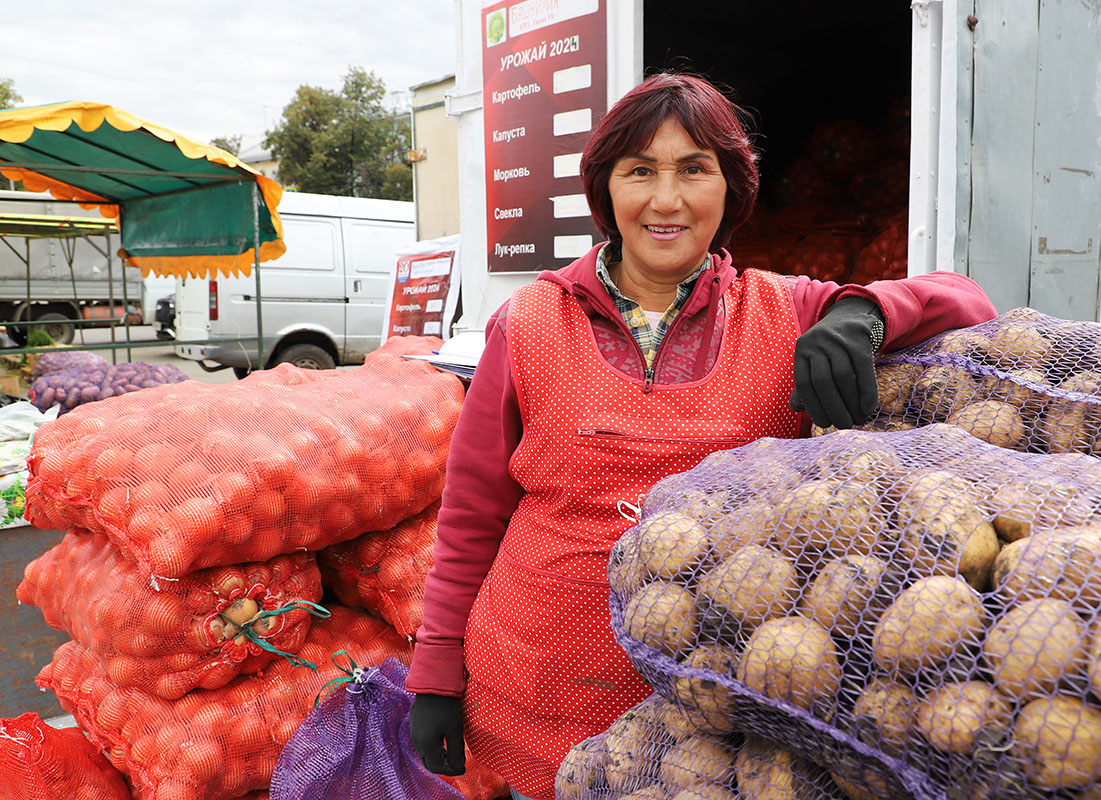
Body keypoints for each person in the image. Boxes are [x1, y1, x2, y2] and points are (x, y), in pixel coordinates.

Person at [407, 72, 997, 800]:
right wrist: (434, 670)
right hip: (539, 684)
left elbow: (970, 300)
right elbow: (470, 515)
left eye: (694, 169)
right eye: (639, 171)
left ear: (732, 188)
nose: (666, 199)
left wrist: (864, 312)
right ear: (606, 190)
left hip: (717, 702)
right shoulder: (528, 321)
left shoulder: (785, 311)